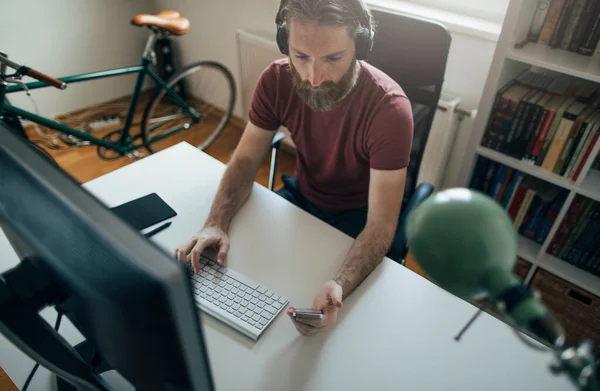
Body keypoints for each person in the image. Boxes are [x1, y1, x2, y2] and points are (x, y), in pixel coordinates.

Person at [176, 0, 413, 336]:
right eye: (300, 57)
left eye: (332, 58)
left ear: (359, 47)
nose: (314, 77)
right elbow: (244, 160)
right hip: (302, 198)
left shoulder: (390, 111)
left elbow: (380, 223)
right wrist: (215, 223)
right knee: (245, 275)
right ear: (285, 43)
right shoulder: (276, 79)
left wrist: (340, 285)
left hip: (358, 216)